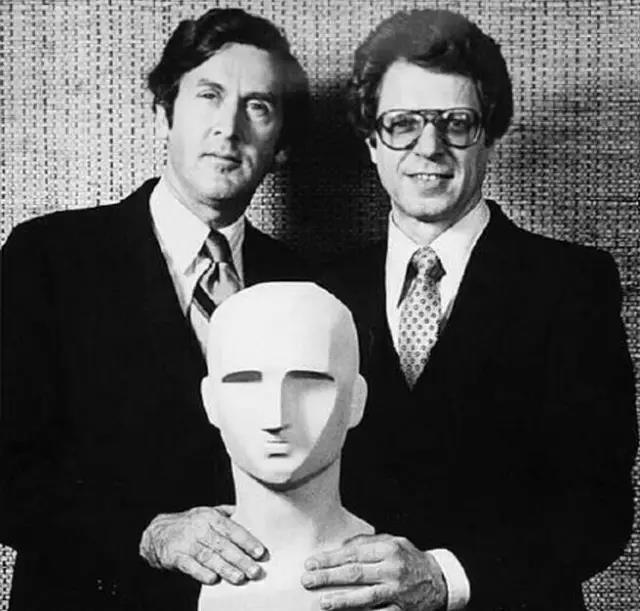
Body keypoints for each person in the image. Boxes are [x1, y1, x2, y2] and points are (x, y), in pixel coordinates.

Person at [303, 8, 638, 611]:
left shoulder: (571, 285)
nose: (429, 147)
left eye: (456, 123)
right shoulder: (319, 292)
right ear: (372, 141)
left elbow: (599, 511)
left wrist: (443, 577)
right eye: (402, 124)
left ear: (489, 136)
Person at [0, 8, 311, 610]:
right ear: (165, 112)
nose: (228, 128)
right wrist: (147, 534)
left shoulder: (303, 284)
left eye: (258, 106)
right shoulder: (48, 257)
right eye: (208, 95)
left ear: (280, 145)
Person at [195, 281, 372, 610]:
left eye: (309, 384)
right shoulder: (154, 580)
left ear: (356, 401)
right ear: (210, 401)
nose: (275, 417)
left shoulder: (406, 573)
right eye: (245, 383)